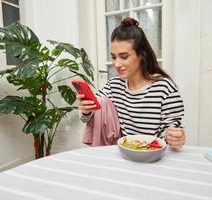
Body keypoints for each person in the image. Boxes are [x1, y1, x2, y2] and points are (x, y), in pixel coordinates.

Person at [77, 17, 185, 149]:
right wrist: (86, 110)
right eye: (113, 57)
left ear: (141, 55)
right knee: (101, 101)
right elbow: (88, 119)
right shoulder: (114, 85)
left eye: (124, 57)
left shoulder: (164, 87)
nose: (116, 64)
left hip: (153, 154)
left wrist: (176, 137)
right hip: (123, 152)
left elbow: (173, 129)